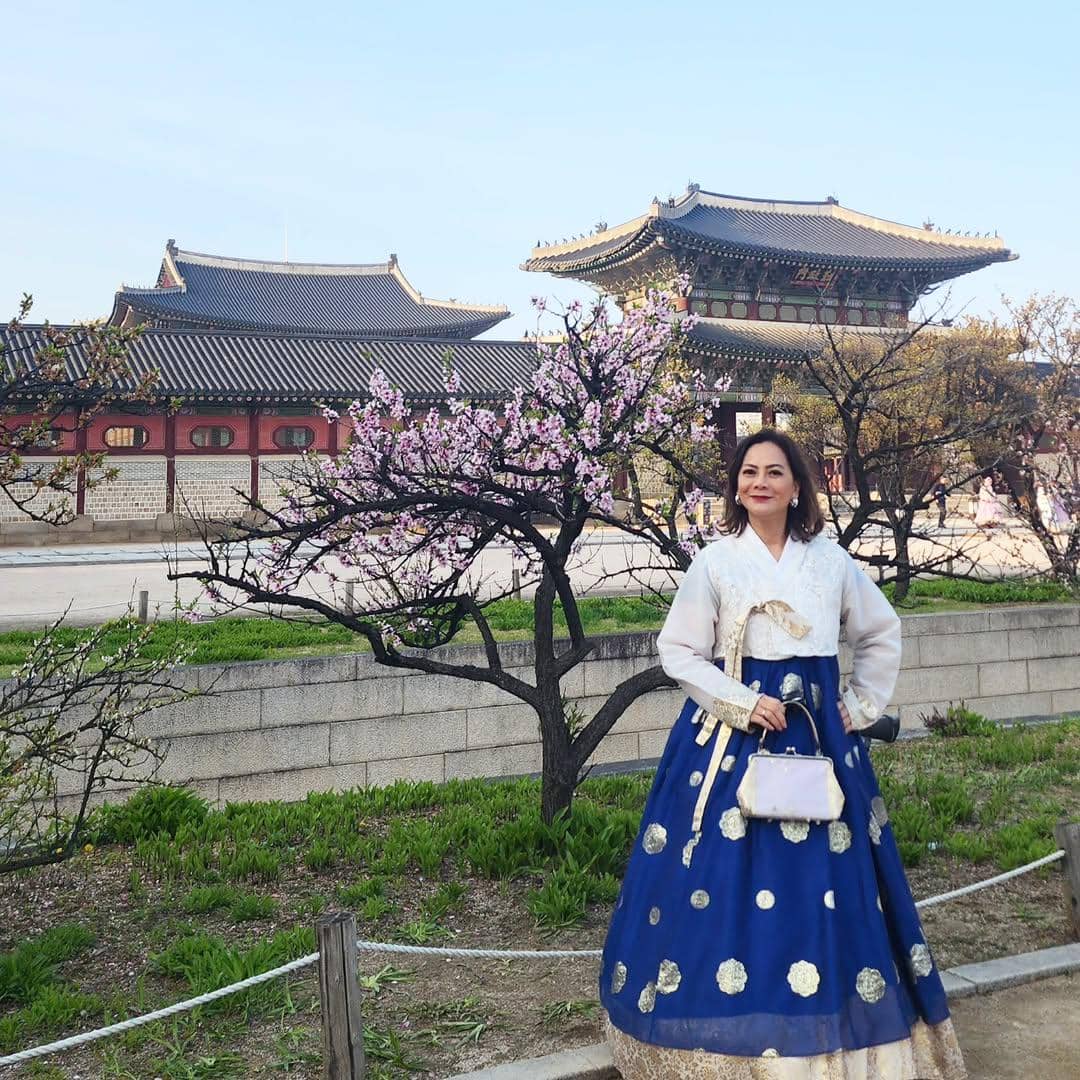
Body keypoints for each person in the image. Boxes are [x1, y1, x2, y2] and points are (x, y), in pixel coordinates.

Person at [600, 430, 966, 1079]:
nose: (760, 482)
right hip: (732, 740)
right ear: (736, 486)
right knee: (718, 880)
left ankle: (835, 1043)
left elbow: (880, 631)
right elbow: (679, 650)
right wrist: (741, 702)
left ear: (797, 485)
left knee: (830, 881)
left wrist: (860, 705)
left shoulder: (830, 561)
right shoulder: (715, 562)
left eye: (774, 471)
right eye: (749, 472)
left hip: (819, 737)